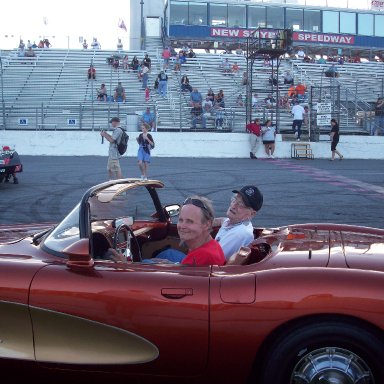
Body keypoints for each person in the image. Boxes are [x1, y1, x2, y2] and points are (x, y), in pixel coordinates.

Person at [214, 186, 263, 260]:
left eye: (241, 205)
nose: (233, 206)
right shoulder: (235, 222)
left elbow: (213, 258)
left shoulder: (239, 234)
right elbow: (223, 220)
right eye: (235, 200)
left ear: (252, 214)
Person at [178, 197, 225, 266]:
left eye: (189, 221)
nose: (182, 226)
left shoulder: (202, 256)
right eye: (180, 220)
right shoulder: (212, 244)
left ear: (206, 225)